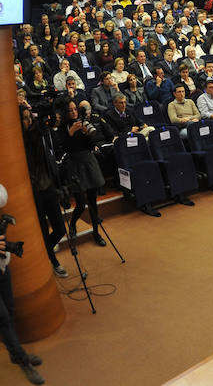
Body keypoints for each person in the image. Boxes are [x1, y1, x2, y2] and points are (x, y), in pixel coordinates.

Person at [0, 185, 46, 385]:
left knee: (9, 311)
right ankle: (22, 358)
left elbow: (2, 197)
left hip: (2, 265)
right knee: (3, 317)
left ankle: (14, 352)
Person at [20, 107, 68, 278]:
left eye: (30, 117)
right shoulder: (19, 143)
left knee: (60, 229)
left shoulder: (39, 135)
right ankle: (53, 260)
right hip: (34, 193)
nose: (30, 121)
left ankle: (43, 251)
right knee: (41, 228)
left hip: (48, 186)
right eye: (25, 118)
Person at [59, 99, 107, 247]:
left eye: (75, 109)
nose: (73, 112)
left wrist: (87, 134)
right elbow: (64, 147)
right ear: (65, 113)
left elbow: (91, 145)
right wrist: (71, 132)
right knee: (80, 203)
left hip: (88, 161)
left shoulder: (83, 122)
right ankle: (73, 224)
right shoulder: (63, 127)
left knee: (93, 200)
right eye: (70, 110)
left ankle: (96, 232)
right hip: (74, 163)